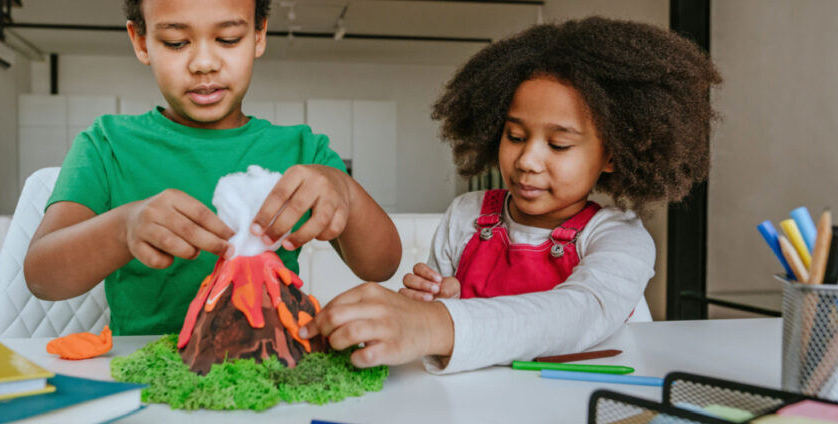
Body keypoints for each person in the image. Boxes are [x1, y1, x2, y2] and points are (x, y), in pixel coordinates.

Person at [306, 17, 721, 373]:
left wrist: (435, 322)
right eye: (515, 136)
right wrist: (434, 300)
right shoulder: (466, 217)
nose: (527, 160)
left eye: (558, 145)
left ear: (611, 155)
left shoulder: (620, 238)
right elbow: (436, 316)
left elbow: (581, 312)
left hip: (589, 399)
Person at [23, 0, 400, 335]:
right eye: (176, 42)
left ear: (258, 34)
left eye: (229, 39)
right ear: (140, 41)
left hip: (271, 364)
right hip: (146, 377)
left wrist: (345, 190)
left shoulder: (303, 150)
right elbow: (42, 278)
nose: (204, 63)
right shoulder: (106, 144)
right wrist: (125, 227)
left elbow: (381, 265)